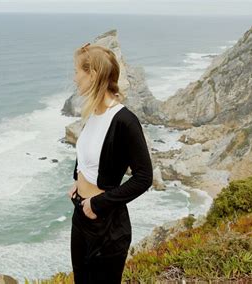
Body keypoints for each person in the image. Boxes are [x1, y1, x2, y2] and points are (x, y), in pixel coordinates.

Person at [68, 42, 153, 283]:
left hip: (106, 225)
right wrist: (78, 179)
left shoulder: (125, 120)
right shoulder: (93, 113)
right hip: (81, 216)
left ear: (93, 75)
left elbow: (144, 178)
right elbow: (86, 153)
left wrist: (98, 203)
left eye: (77, 72)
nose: (75, 79)